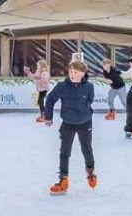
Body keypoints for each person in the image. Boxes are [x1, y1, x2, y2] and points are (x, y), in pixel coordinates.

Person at [42, 60, 97, 194]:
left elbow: (90, 100)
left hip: (85, 122)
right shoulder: (62, 86)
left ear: (83, 73)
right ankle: (63, 180)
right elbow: (50, 99)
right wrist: (48, 117)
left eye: (75, 72)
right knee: (64, 152)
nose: (72, 74)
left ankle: (90, 171)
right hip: (68, 123)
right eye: (71, 72)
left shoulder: (89, 87)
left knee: (87, 149)